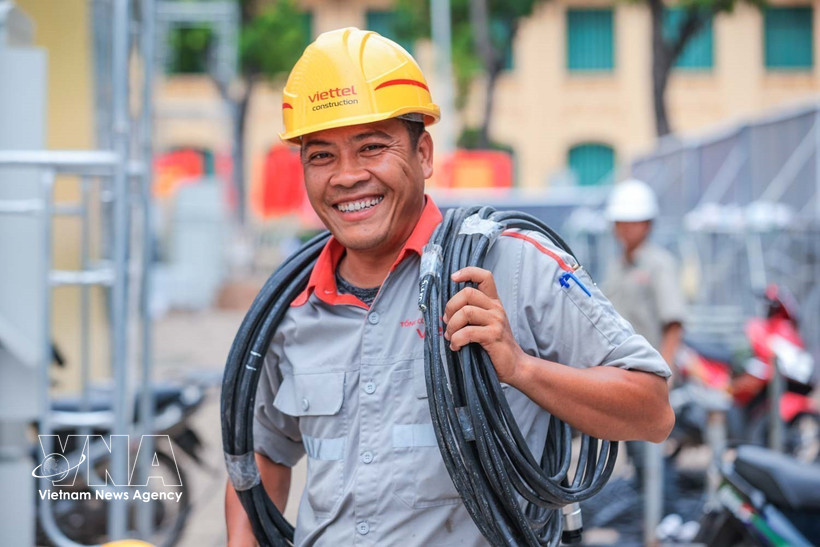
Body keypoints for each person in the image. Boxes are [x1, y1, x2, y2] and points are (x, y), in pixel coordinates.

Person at [225, 28, 674, 546]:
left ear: (424, 155)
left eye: (372, 147)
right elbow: (261, 454)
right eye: (321, 155)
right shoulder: (291, 307)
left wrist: (521, 368)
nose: (346, 177)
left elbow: (653, 411)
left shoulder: (513, 266)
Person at [602, 178, 686, 530]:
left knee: (651, 450)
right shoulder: (617, 266)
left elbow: (674, 322)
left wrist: (664, 375)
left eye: (631, 222)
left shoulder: (658, 264)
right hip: (625, 375)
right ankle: (652, 514)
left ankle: (667, 518)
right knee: (637, 450)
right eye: (619, 222)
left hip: (651, 377)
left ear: (647, 224)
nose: (624, 229)